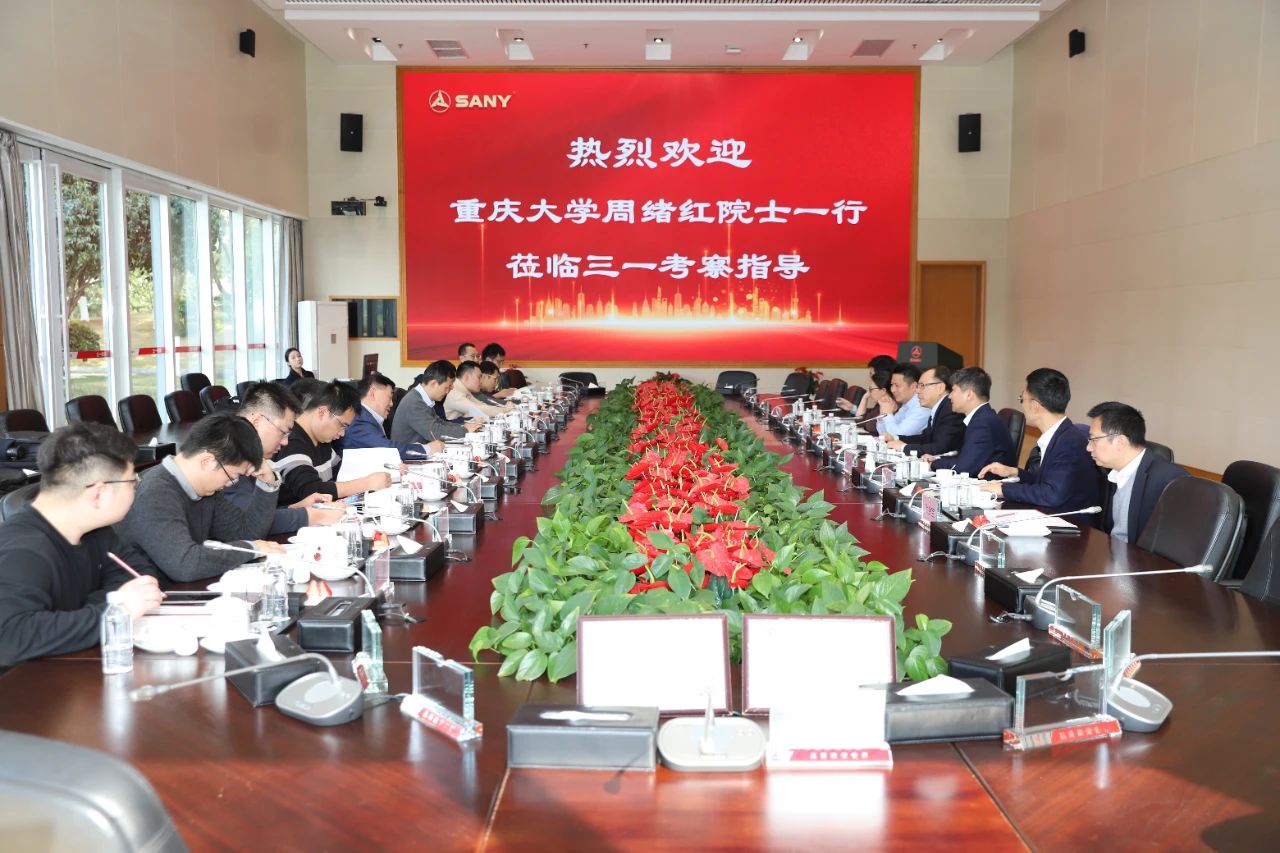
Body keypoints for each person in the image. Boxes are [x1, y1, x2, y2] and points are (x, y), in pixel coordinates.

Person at [0, 424, 164, 668]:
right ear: (99, 493)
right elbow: (9, 638)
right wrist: (117, 611)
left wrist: (94, 606)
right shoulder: (24, 552)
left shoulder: (94, 530)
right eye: (133, 482)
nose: (135, 489)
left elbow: (138, 574)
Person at [114, 413, 286, 585]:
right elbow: (185, 564)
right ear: (207, 462)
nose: (230, 484)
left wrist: (267, 483)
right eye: (233, 476)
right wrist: (251, 549)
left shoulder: (205, 490)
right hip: (149, 596)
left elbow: (245, 533)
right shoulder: (154, 494)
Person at [223, 382, 346, 536]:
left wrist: (296, 507)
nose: (285, 442)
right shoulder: (227, 455)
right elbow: (250, 523)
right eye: (283, 432)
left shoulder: (247, 452)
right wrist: (313, 515)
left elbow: (259, 514)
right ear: (257, 421)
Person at [978, 368, 1100, 516]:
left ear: (1035, 406)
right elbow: (1050, 483)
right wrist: (1014, 472)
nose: (1021, 405)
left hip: (1071, 522)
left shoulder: (1069, 443)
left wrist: (1003, 489)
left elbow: (1051, 494)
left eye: (1022, 399)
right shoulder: (1062, 434)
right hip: (1052, 515)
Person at [271, 380, 392, 507]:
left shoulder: (321, 440)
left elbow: (342, 472)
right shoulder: (290, 442)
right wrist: (366, 483)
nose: (342, 433)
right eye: (342, 425)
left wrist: (380, 470)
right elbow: (311, 491)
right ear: (322, 412)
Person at [1085, 401, 1188, 544]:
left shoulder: (1170, 481)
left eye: (1093, 439)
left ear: (1120, 442)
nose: (1088, 448)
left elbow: (1172, 545)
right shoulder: (1108, 471)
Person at [925, 366, 1014, 478]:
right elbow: (966, 458)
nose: (950, 396)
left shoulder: (982, 423)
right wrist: (936, 459)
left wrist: (933, 464)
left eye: (953, 390)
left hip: (987, 485)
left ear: (969, 395)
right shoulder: (983, 417)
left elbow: (964, 468)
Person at [341, 371, 442, 460]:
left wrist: (412, 446)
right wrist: (427, 449)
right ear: (372, 393)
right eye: (389, 397)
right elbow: (387, 449)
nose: (391, 404)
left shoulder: (366, 416)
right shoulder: (358, 419)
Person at [390, 360, 483, 444]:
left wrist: (464, 427)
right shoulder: (414, 402)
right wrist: (465, 431)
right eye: (447, 387)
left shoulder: (422, 399)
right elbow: (435, 432)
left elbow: (439, 423)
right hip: (408, 455)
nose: (448, 391)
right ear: (433, 383)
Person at [887, 365, 964, 457]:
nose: (917, 391)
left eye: (922, 386)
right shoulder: (940, 408)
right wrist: (896, 438)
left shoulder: (951, 410)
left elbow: (940, 448)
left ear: (940, 388)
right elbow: (925, 439)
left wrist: (904, 447)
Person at [875, 363, 929, 437]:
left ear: (913, 386)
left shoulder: (921, 407)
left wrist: (888, 414)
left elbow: (899, 436)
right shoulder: (906, 404)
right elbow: (883, 434)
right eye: (892, 385)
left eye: (897, 385)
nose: (892, 390)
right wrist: (883, 414)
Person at [445, 361, 512, 420]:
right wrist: (505, 411)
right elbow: (478, 409)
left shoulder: (463, 389)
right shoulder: (454, 392)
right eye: (479, 377)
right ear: (466, 377)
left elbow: (481, 404)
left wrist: (505, 410)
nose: (481, 382)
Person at [836, 354, 896, 420]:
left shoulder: (891, 402)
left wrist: (865, 397)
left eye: (872, 374)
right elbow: (871, 414)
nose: (870, 378)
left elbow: (867, 421)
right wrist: (852, 408)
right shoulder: (883, 398)